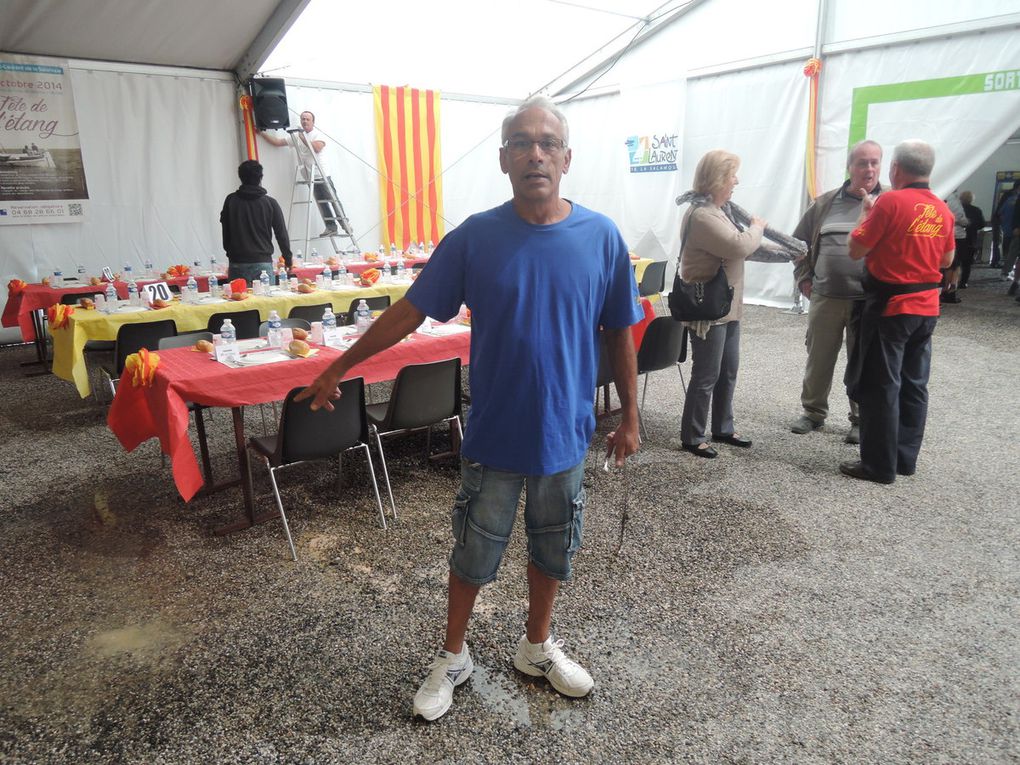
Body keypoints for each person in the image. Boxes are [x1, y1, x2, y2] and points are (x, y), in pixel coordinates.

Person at [296, 95, 642, 721]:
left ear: (566, 157)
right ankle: (454, 655)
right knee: (474, 552)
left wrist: (631, 417)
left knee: (552, 547)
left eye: (547, 142)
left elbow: (620, 330)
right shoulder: (476, 238)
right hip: (493, 436)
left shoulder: (601, 238)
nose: (534, 152)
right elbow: (408, 311)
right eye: (520, 142)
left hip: (565, 436)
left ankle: (536, 645)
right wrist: (341, 364)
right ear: (504, 158)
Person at [841, 140, 955, 484]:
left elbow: (856, 249)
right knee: (915, 384)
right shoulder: (941, 208)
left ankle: (878, 465)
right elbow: (947, 261)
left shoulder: (889, 201)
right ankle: (905, 459)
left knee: (882, 385)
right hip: (927, 309)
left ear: (895, 169)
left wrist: (865, 216)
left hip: (892, 307)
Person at [790, 140, 883, 444]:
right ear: (850, 167)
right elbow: (798, 244)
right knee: (819, 357)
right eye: (862, 163)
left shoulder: (889, 203)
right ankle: (813, 412)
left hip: (866, 301)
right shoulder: (825, 203)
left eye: (874, 162)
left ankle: (860, 419)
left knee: (862, 362)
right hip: (826, 297)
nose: (868, 169)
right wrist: (804, 277)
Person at [676, 150, 765, 458]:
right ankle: (692, 435)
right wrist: (757, 227)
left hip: (725, 307)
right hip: (709, 309)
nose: (735, 181)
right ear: (716, 179)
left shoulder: (718, 210)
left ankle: (723, 427)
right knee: (707, 374)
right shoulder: (702, 215)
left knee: (727, 371)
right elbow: (738, 245)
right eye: (731, 176)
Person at [260, 110, 343, 237]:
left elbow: (316, 147)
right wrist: (261, 134)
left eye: (307, 119)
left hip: (322, 175)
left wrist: (303, 137)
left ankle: (345, 224)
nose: (304, 121)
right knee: (322, 204)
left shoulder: (317, 134)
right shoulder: (297, 137)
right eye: (303, 119)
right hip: (310, 177)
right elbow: (278, 142)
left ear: (313, 122)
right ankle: (331, 227)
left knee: (333, 200)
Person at [219, 160, 292, 282]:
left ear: (240, 177)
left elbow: (226, 231)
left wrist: (230, 253)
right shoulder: (270, 203)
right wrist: (288, 259)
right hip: (262, 263)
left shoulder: (231, 201)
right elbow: (281, 234)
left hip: (237, 262)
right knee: (265, 300)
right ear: (260, 177)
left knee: (240, 300)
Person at [939, 191, 968, 304]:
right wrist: (966, 222)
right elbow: (962, 219)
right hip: (957, 235)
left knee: (948, 266)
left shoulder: (942, 197)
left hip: (945, 234)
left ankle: (946, 290)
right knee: (954, 265)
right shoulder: (954, 201)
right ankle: (950, 291)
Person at [958, 191, 985, 289]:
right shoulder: (977, 210)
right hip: (970, 239)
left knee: (955, 262)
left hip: (957, 238)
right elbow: (982, 224)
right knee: (967, 263)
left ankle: (951, 281)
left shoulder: (957, 210)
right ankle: (963, 282)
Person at [990, 183, 1016, 272]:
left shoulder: (1009, 195)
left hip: (1003, 222)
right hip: (1001, 222)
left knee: (999, 242)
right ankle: (997, 262)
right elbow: (1000, 212)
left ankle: (998, 261)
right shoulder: (1011, 196)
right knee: (999, 242)